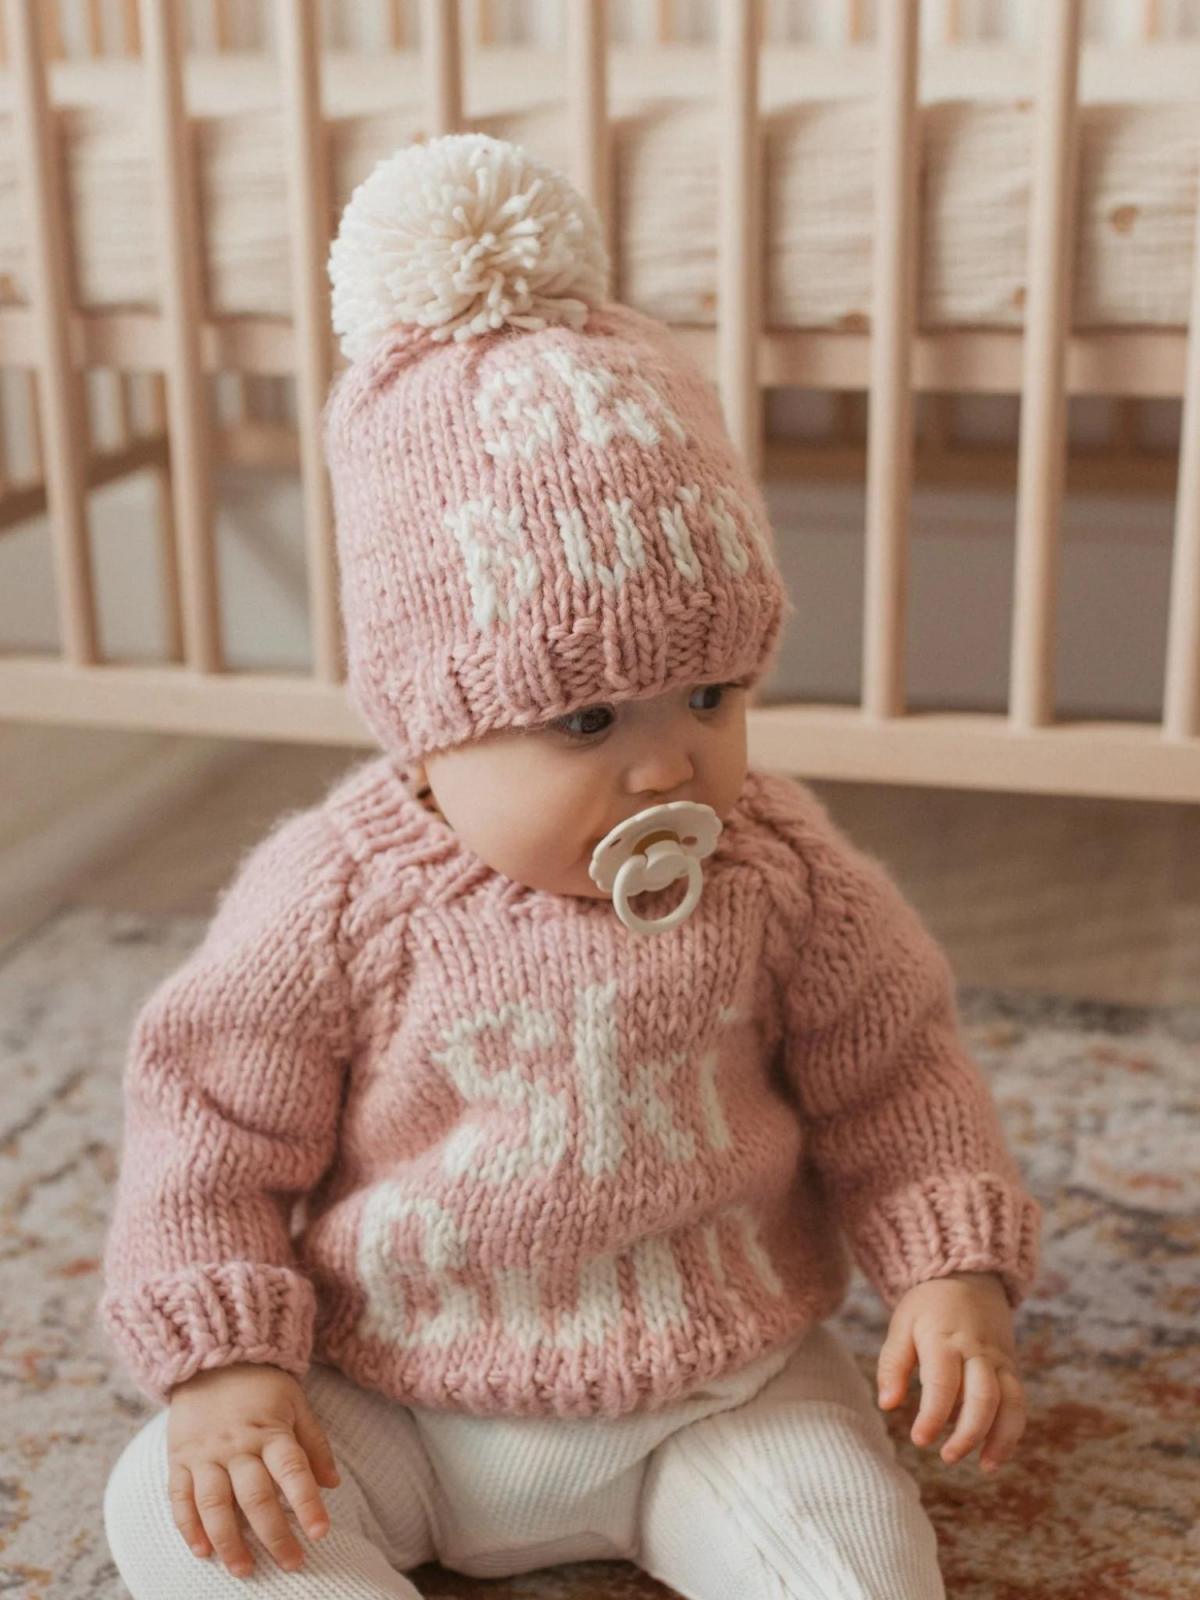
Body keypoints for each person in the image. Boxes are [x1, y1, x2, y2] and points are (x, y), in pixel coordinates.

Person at [99, 132, 1041, 1599]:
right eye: (588, 718)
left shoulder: (783, 873)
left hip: (716, 1391)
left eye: (712, 698)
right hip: (394, 1384)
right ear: (425, 730)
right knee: (178, 1515)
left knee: (860, 1564)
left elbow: (901, 1078)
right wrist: (221, 1360)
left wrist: (947, 1271)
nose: (669, 765)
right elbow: (208, 1129)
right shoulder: (340, 895)